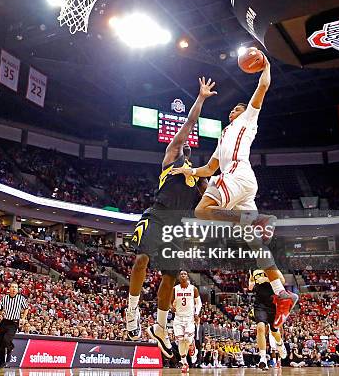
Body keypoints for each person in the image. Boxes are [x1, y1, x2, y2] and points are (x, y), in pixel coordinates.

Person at [170, 56, 298, 328]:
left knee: (201, 211)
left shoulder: (249, 119)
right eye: (232, 109)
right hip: (239, 180)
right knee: (255, 243)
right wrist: (188, 172)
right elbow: (208, 168)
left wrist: (266, 67)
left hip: (238, 174)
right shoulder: (223, 135)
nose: (233, 110)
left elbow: (262, 88)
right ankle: (281, 292)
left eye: (237, 108)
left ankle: (255, 221)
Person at [125, 77, 216, 358]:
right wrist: (200, 98)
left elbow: (209, 206)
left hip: (177, 229)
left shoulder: (199, 182)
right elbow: (188, 124)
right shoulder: (171, 158)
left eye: (190, 151)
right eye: (184, 148)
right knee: (141, 259)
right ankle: (131, 310)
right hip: (158, 215)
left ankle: (161, 328)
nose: (186, 149)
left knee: (169, 278)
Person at [248, 269, 286, 370]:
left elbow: (282, 281)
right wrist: (252, 284)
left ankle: (280, 343)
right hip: (259, 304)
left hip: (273, 303)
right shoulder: (252, 269)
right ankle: (263, 358)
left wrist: (265, 279)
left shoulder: (272, 267)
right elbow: (250, 283)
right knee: (260, 327)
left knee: (274, 331)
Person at [171, 271, 201, 372]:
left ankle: (192, 345)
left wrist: (196, 313)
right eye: (181, 274)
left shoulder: (193, 288)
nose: (183, 275)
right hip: (178, 318)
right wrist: (171, 307)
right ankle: (184, 363)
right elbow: (169, 303)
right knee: (180, 341)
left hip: (189, 318)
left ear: (187, 277)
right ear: (179, 277)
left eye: (184, 274)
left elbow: (199, 303)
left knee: (187, 339)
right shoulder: (175, 289)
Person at [0, 282, 28, 369]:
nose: (14, 289)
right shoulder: (5, 298)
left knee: (6, 340)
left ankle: (10, 347)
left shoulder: (21, 298)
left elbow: (26, 309)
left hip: (14, 323)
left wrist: (23, 318)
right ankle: (1, 363)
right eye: (12, 287)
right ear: (9, 289)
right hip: (5, 321)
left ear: (17, 290)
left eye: (15, 287)